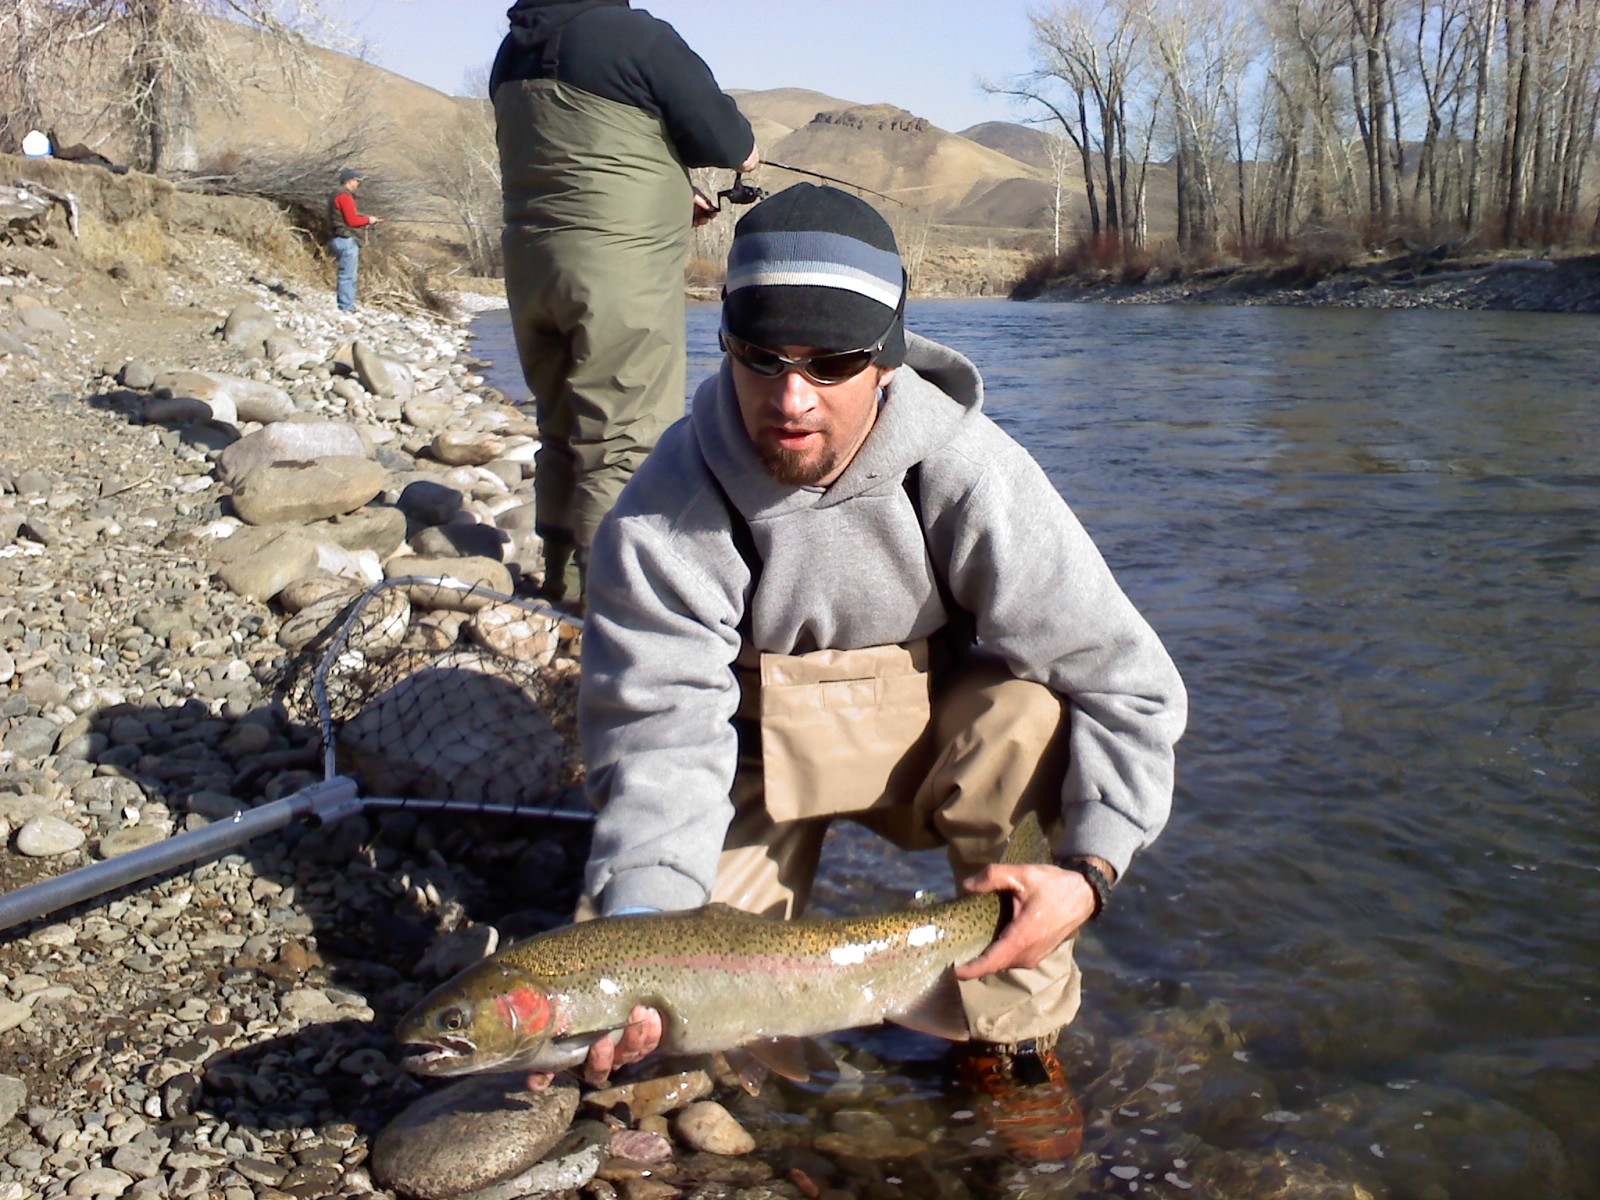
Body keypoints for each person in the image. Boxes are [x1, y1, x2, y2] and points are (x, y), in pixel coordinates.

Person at [569, 184, 1188, 1156]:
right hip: (747, 763)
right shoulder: (663, 512)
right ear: (725, 343)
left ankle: (1010, 1034)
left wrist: (1091, 870)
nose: (790, 398)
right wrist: (643, 918)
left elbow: (1123, 680)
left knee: (1028, 711)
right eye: (762, 358)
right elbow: (657, 734)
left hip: (920, 747)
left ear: (888, 358)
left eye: (833, 362)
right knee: (647, 996)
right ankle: (743, 1058)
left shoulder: (970, 473)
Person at [489, 0, 758, 609]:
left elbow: (576, 152)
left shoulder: (514, 50)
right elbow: (724, 136)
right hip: (616, 276)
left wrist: (667, 188)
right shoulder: (638, 37)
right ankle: (618, 610)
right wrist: (746, 158)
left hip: (532, 268)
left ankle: (562, 585)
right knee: (625, 440)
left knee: (560, 429)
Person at [328, 168, 381, 313]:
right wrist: (369, 220)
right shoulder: (344, 196)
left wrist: (368, 219)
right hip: (345, 240)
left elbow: (350, 217)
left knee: (348, 274)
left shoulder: (336, 194)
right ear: (349, 181)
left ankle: (347, 305)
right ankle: (346, 307)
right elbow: (352, 220)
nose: (358, 184)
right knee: (348, 275)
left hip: (337, 238)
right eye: (357, 181)